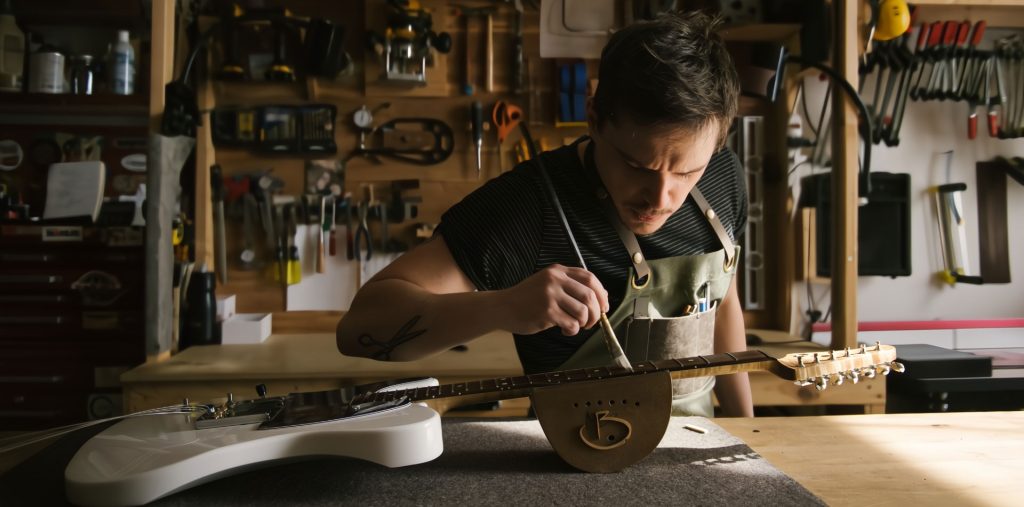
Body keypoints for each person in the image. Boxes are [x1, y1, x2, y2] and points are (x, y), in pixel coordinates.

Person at [337, 11, 753, 417]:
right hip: (572, 455)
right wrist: (502, 306)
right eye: (636, 166)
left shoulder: (723, 177)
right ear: (593, 119)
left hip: (700, 442)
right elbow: (358, 331)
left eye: (686, 172)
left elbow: (723, 305)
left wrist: (749, 428)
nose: (661, 198)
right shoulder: (529, 206)